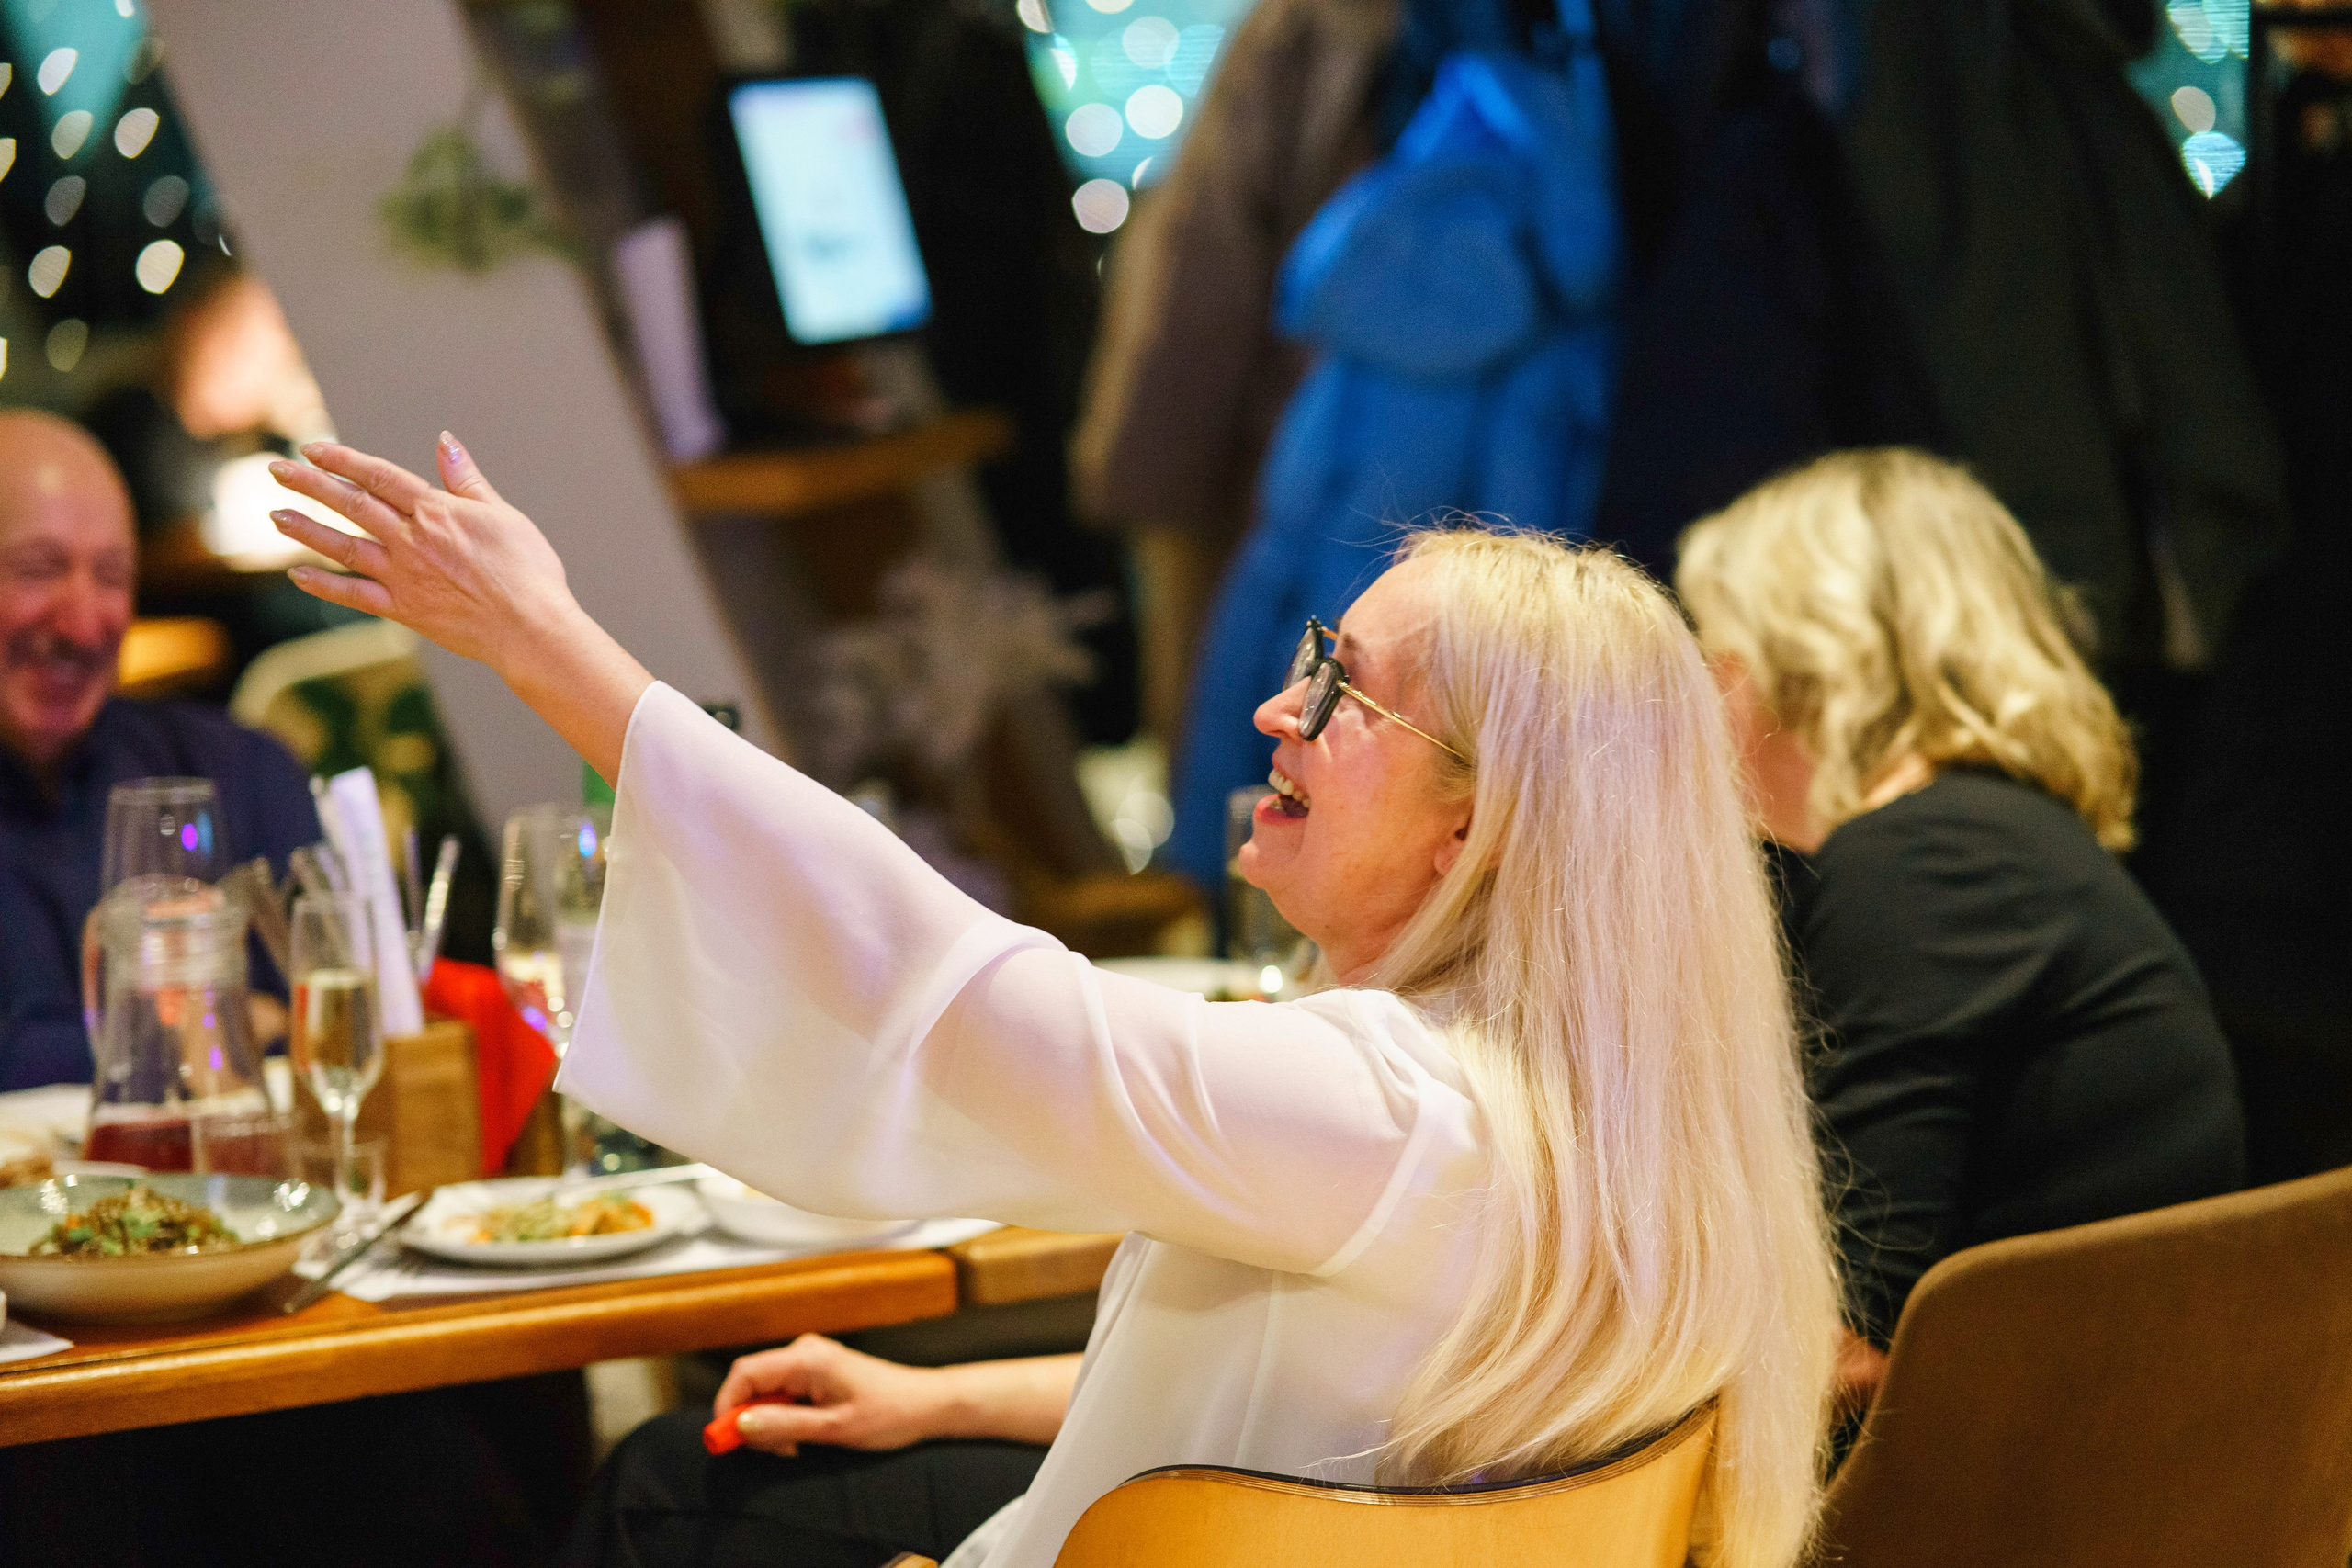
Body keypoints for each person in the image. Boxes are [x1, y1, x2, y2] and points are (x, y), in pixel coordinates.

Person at [267, 432, 1838, 1568]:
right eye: (1312, 656)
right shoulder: (1611, 1112)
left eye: (1346, 692)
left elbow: (957, 987)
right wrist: (942, 1391)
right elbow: (1302, 1409)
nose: (1274, 708)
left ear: (1475, 822)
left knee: (654, 1495)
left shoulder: (1393, 1111)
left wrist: (551, 649)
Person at [1675, 448, 2247, 1409]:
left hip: (2027, 1503)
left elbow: (1833, 1340)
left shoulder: (1931, 866)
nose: (1694, 694)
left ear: (1807, 658)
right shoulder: (1992, 844)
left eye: (1713, 647)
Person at [0, 410, 317, 1091]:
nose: (84, 623)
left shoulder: (238, 772)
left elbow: (330, 1019)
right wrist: (188, 1029)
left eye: (112, 576)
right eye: (37, 570)